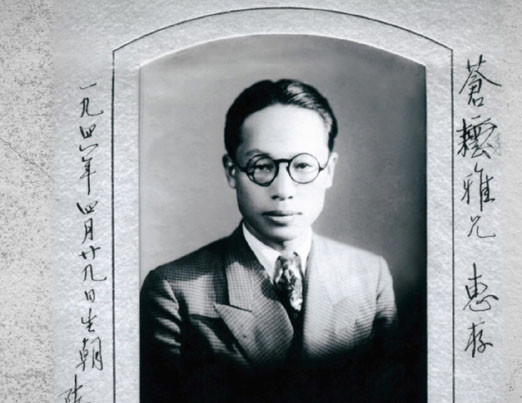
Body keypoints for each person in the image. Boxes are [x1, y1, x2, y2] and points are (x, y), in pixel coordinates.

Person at [140, 79, 400, 402]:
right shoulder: (174, 290)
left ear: (329, 171)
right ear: (232, 171)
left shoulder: (369, 276)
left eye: (303, 165)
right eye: (262, 166)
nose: (284, 190)